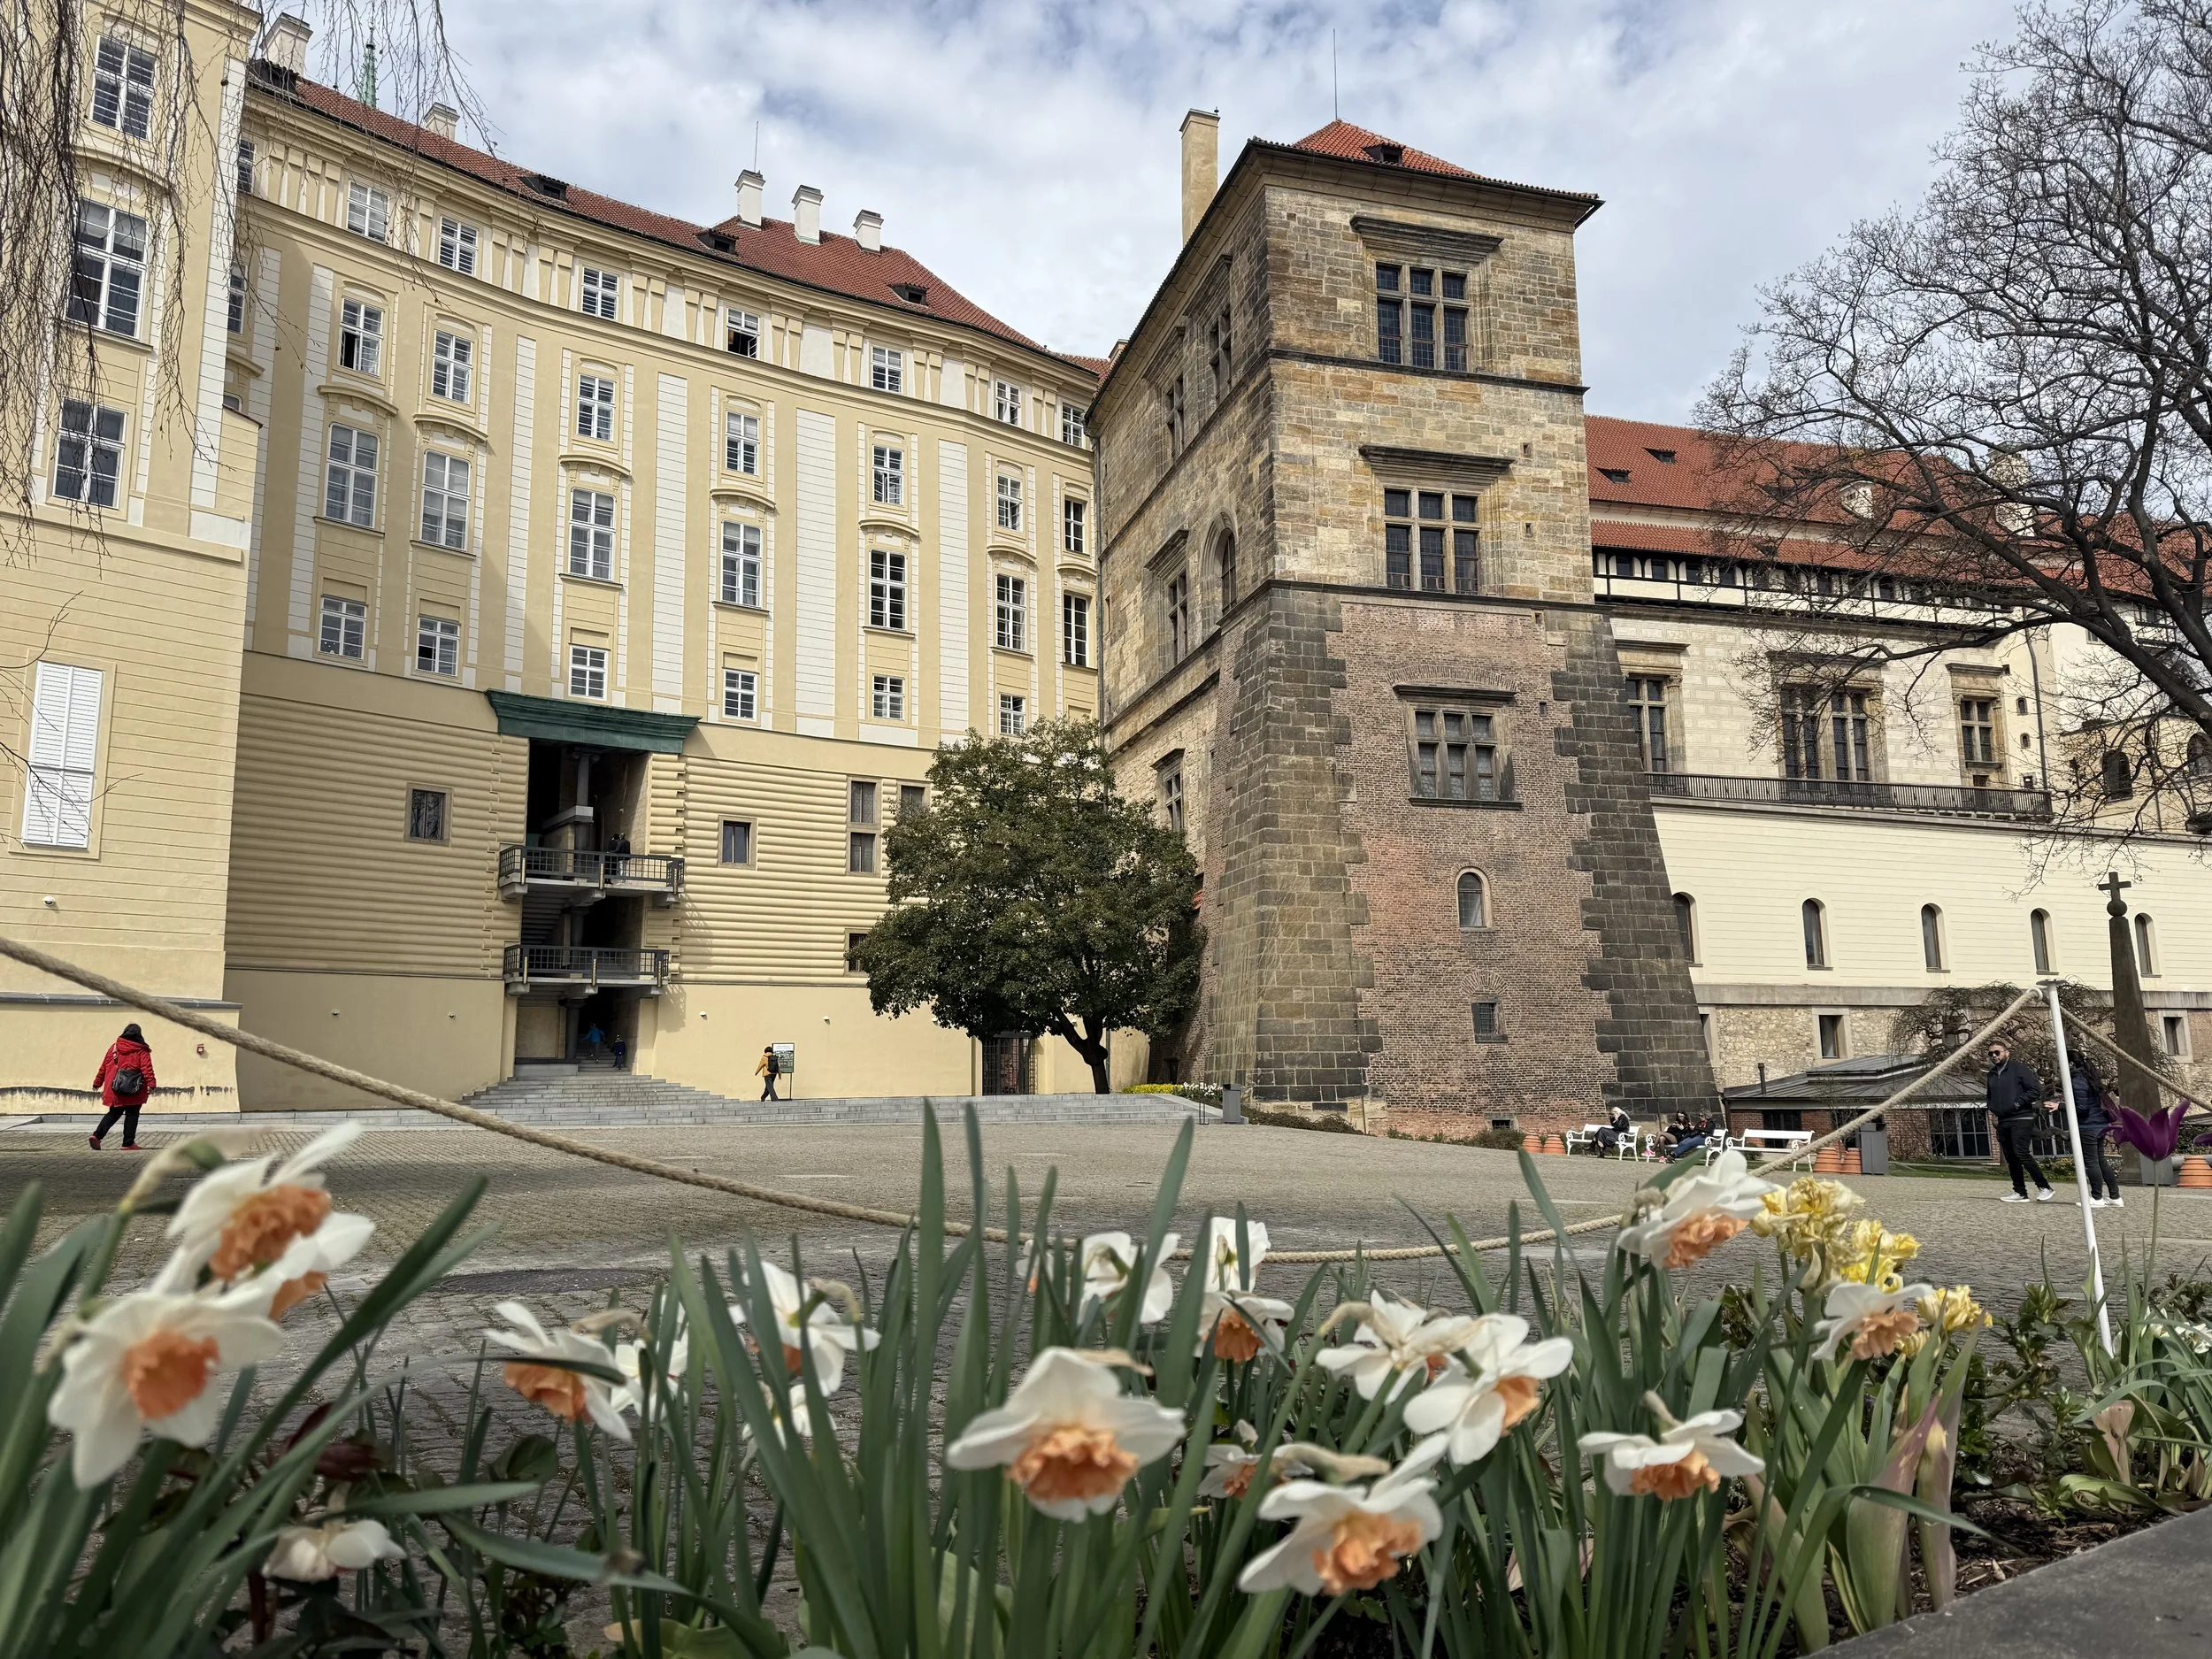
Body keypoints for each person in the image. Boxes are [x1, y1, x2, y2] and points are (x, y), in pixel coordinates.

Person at [1985, 1038, 2054, 1203]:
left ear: (2006, 1053)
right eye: (1991, 1053)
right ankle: (2020, 1191)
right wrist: (1993, 1108)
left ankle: (2045, 1187)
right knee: (2011, 1157)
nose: (1994, 1056)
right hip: (2003, 1119)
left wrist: (2017, 1103)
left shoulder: (2019, 1069)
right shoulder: (1992, 1074)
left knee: (2021, 1152)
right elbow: (1990, 1095)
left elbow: (2035, 1090)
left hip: (2021, 1117)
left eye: (1997, 1052)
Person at [2067, 1052, 2123, 1209]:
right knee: (2101, 1161)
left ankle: (2097, 1197)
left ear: (2071, 1064)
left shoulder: (2077, 1080)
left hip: (2088, 1125)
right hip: (2100, 1124)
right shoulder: (2091, 1078)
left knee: (2091, 1162)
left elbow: (2082, 1108)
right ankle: (2115, 1196)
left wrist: (2061, 1107)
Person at [88, 1023, 156, 1151]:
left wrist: (97, 1083)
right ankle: (128, 1143)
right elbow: (146, 1068)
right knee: (132, 1114)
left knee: (113, 1113)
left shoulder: (114, 1048)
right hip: (134, 1089)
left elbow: (103, 1067)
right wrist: (152, 1083)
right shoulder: (141, 1050)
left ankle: (97, 1136)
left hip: (115, 1088)